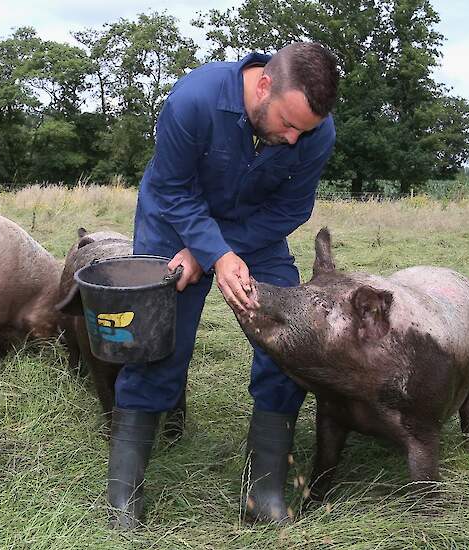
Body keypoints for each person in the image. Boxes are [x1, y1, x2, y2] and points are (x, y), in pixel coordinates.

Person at [107, 42, 340, 529]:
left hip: (254, 231)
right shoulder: (192, 101)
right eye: (288, 123)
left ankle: (265, 491)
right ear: (263, 86)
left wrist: (216, 250)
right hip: (173, 221)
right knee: (156, 341)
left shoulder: (315, 133)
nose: (295, 139)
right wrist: (207, 251)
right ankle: (124, 495)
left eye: (306, 130)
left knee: (287, 335)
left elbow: (290, 209)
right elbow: (171, 188)